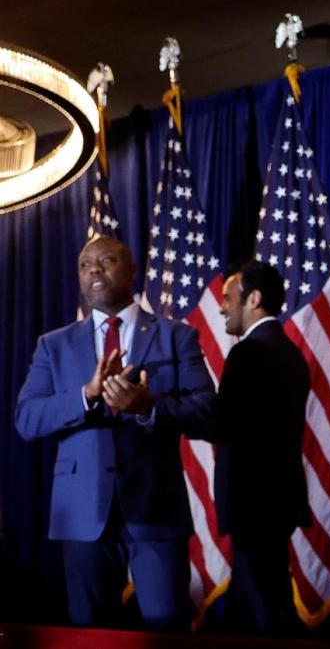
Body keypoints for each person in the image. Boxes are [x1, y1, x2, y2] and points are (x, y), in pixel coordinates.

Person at [15, 235, 214, 631]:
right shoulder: (54, 346)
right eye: (86, 265)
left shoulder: (176, 336)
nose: (95, 270)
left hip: (155, 511)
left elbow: (209, 413)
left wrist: (148, 406)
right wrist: (86, 395)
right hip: (82, 514)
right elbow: (27, 418)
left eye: (106, 260)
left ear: (132, 269)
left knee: (167, 625)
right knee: (89, 629)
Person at [212, 260, 310, 633]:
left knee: (262, 617)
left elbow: (222, 423)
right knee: (267, 602)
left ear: (253, 298)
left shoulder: (247, 353)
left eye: (227, 297)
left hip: (252, 504)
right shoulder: (290, 352)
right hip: (278, 503)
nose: (221, 307)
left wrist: (156, 408)